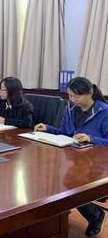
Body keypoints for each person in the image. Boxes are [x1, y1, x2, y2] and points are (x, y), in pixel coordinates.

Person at [35, 77, 108, 237]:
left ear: (89, 93)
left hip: (98, 164)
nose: (72, 100)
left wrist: (91, 138)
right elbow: (65, 133)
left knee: (72, 187)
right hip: (75, 159)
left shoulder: (104, 111)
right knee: (55, 179)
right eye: (70, 96)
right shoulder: (70, 108)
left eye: (76, 96)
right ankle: (57, 216)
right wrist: (47, 128)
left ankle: (96, 216)